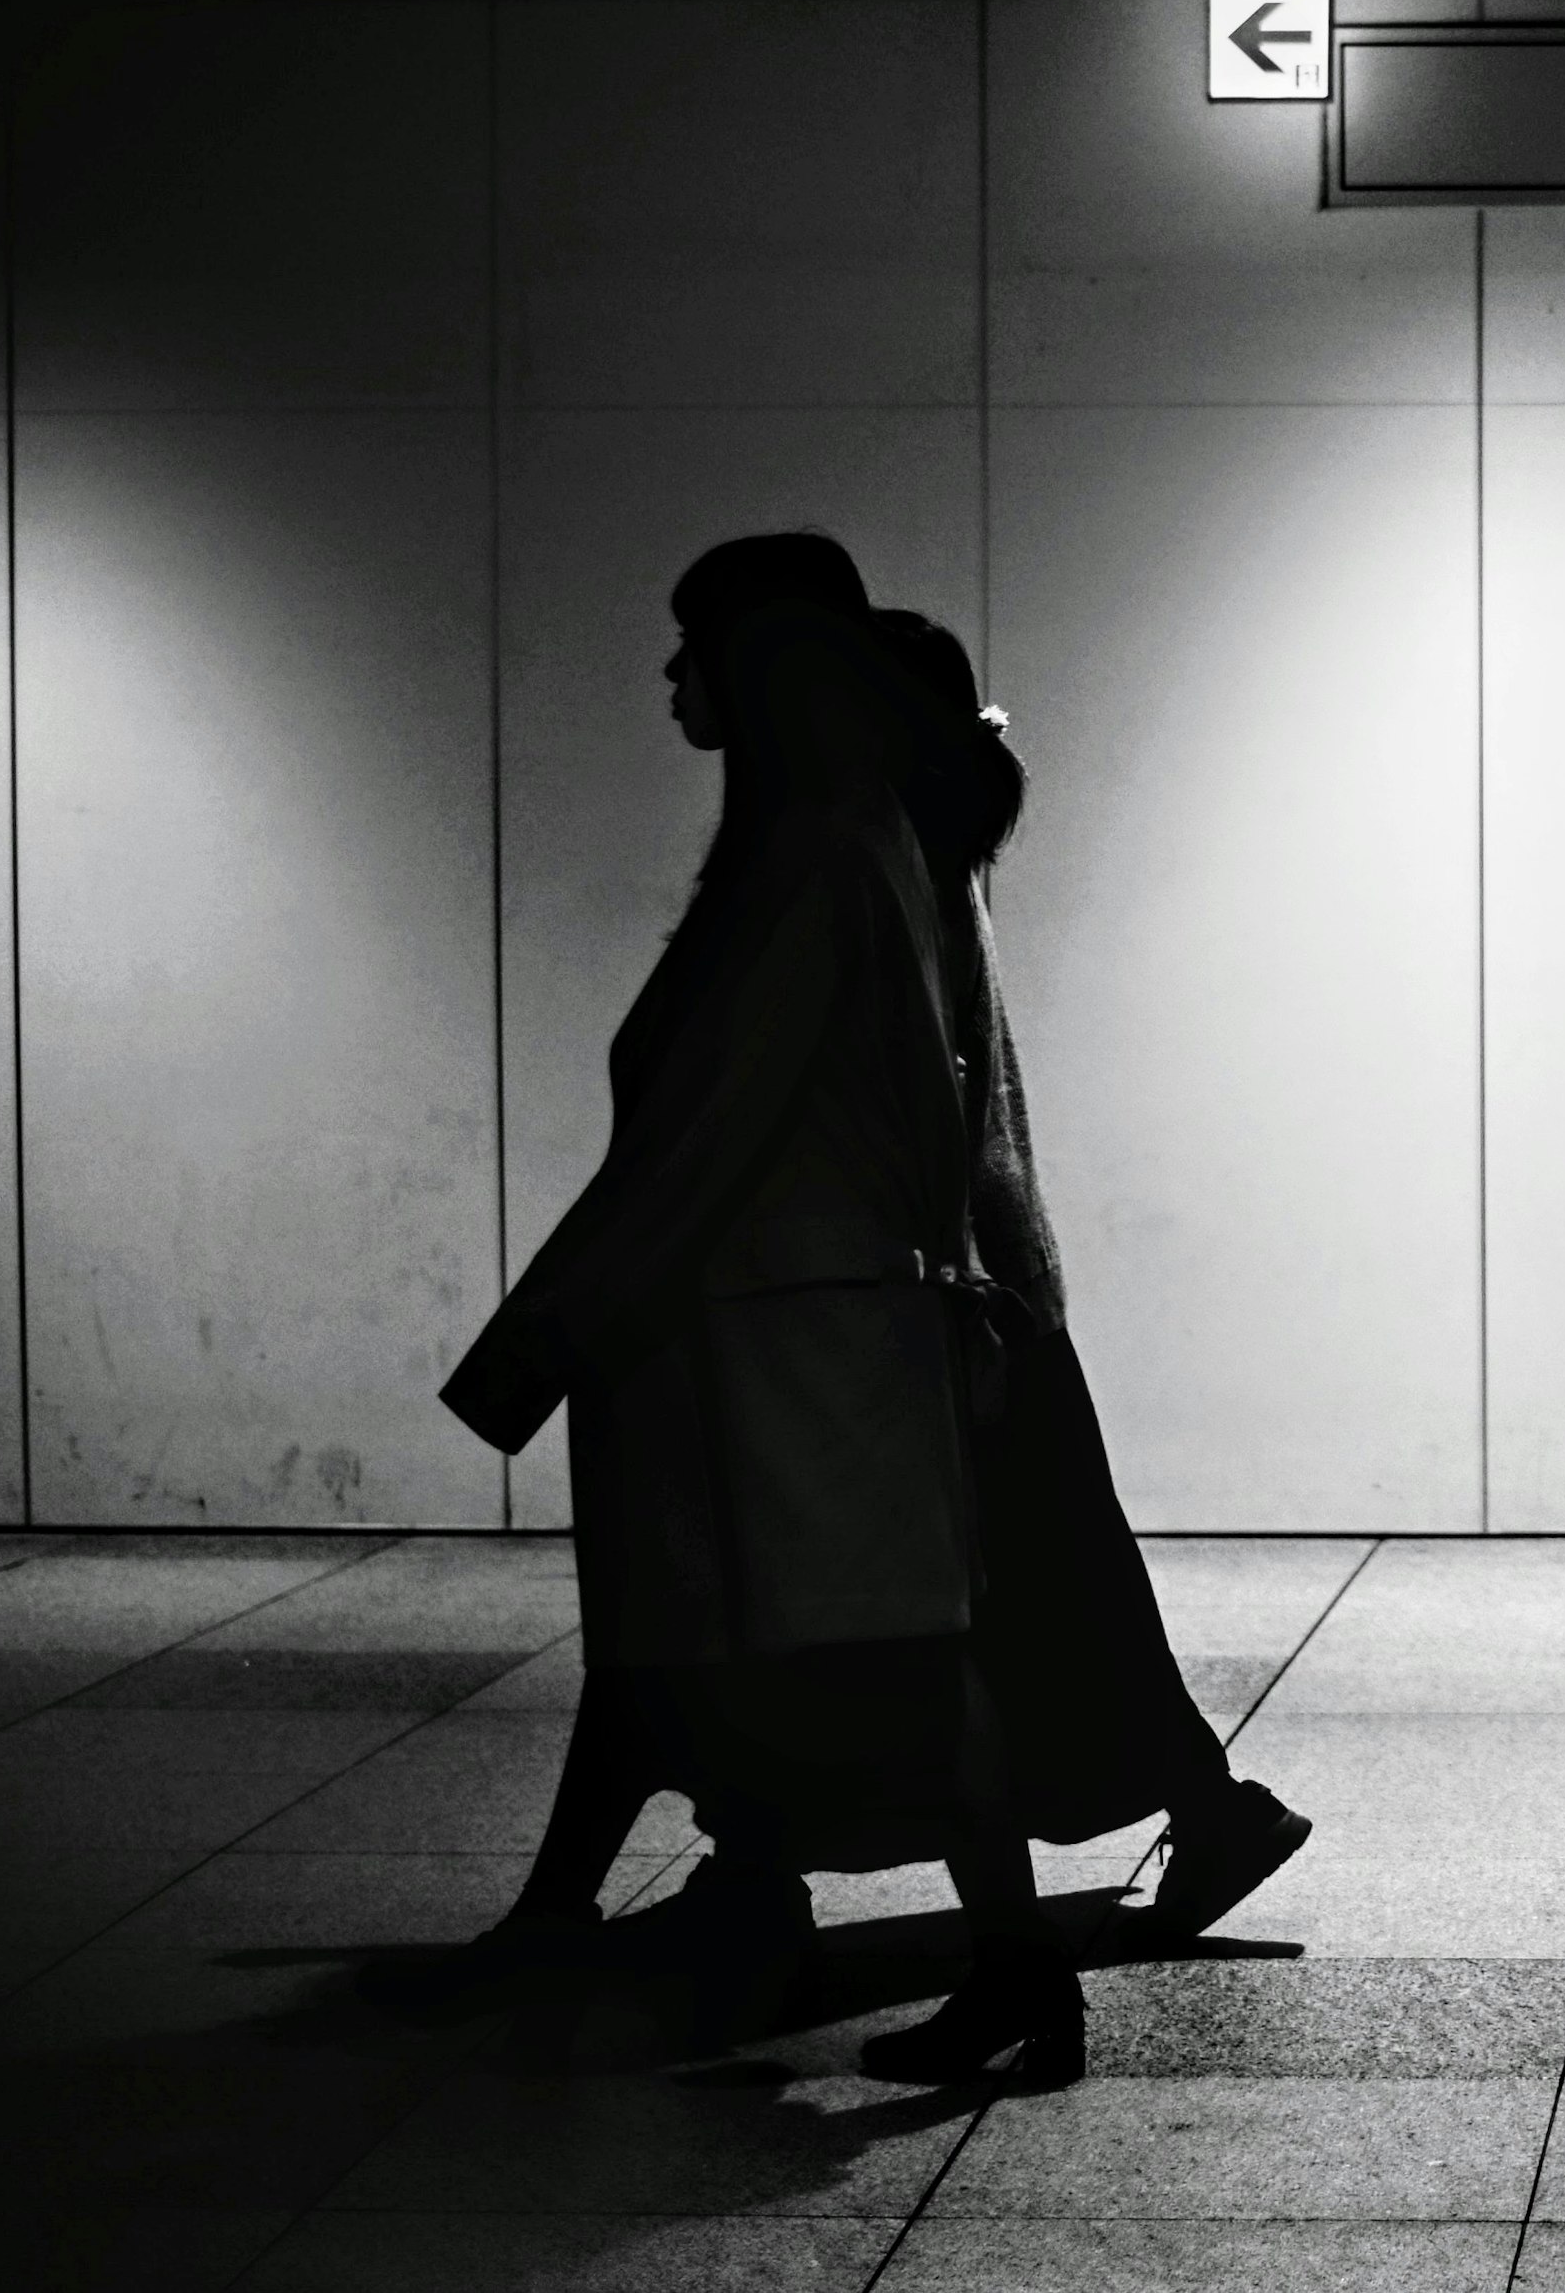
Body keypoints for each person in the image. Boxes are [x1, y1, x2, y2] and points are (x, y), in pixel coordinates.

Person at [437, 533, 1080, 2089]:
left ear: (761, 669)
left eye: (689, 650)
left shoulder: (802, 865)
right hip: (813, 1343)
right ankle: (989, 1970)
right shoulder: (853, 846)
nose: (668, 680)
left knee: (898, 1672)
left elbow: (706, 1131)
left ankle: (1013, 1979)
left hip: (793, 1353)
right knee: (878, 1667)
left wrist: (535, 1345)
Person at [861, 606, 1310, 1924]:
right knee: (1064, 1575)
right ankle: (1209, 1807)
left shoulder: (894, 862)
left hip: (969, 1291)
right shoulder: (938, 852)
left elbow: (934, 1100)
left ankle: (1202, 1812)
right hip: (1005, 1280)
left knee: (1030, 1586)